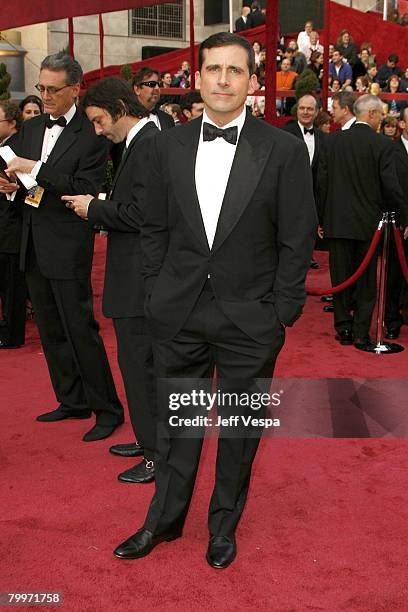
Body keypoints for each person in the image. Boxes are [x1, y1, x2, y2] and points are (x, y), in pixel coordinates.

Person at [113, 32, 317, 568]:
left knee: (238, 431)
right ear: (197, 78)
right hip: (178, 311)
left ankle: (222, 526)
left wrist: (282, 312)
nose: (223, 79)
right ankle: (164, 521)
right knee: (177, 426)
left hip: (252, 319)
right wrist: (157, 292)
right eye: (213, 69)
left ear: (251, 82)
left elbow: (298, 238)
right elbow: (153, 227)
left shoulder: (284, 150)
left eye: (235, 70)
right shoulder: (166, 144)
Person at [0, 52, 124, 440]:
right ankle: (71, 399)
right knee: (51, 329)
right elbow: (17, 174)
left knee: (79, 327)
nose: (46, 95)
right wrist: (9, 186)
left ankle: (107, 408)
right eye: (41, 88)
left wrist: (32, 170)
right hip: (31, 241)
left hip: (68, 244)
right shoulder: (32, 127)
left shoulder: (91, 133)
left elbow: (84, 187)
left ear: (75, 88)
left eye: (54, 89)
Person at [63, 77, 159, 483]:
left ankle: (157, 455)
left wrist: (94, 209)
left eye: (100, 121)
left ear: (121, 108)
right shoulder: (138, 143)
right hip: (133, 276)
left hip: (141, 281)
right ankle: (147, 439)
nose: (99, 131)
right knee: (136, 366)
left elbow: (143, 215)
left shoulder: (151, 143)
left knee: (141, 368)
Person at [317, 94, 408, 350]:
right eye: (379, 114)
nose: (380, 119)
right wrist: (402, 215)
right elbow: (391, 187)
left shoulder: (332, 142)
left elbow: (321, 183)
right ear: (371, 114)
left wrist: (322, 218)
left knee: (340, 278)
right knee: (367, 282)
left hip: (336, 223)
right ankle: (360, 334)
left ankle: (343, 328)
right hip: (371, 226)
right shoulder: (382, 144)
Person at [0, 101, 25, 349]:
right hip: (7, 226)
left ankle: (11, 335)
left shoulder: (13, 151)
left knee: (12, 287)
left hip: (12, 226)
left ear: (11, 123)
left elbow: (28, 188)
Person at [385, 106, 408, 339]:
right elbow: (392, 188)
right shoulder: (391, 151)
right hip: (398, 224)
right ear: (402, 124)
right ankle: (392, 321)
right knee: (394, 276)